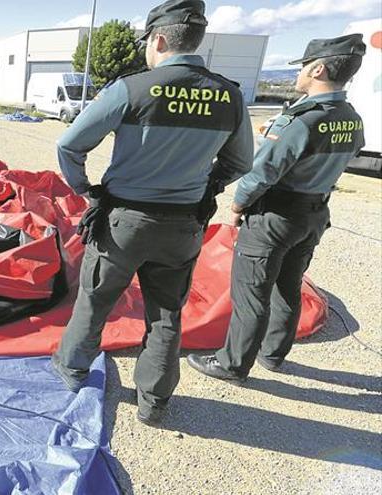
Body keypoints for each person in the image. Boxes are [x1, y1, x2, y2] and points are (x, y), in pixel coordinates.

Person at [50, 0, 254, 427]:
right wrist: (207, 186)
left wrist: (86, 190)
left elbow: (70, 145)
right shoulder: (230, 95)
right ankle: (154, 403)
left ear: (158, 39)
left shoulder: (133, 89)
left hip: (124, 223)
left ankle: (72, 370)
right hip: (183, 226)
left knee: (95, 299)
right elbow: (240, 163)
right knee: (166, 313)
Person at [188, 34, 366, 382]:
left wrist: (238, 206)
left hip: (275, 216)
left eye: (301, 67)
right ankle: (273, 354)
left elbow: (262, 172)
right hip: (314, 213)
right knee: (289, 285)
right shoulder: (351, 118)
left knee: (251, 292)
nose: (298, 75)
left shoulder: (300, 121)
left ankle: (232, 363)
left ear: (318, 68)